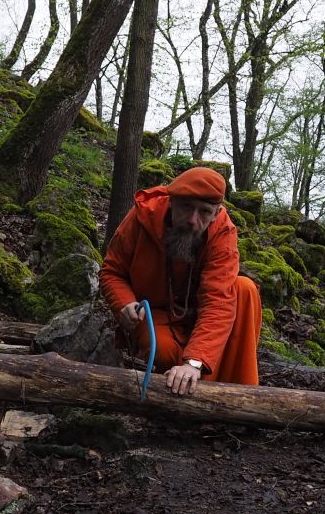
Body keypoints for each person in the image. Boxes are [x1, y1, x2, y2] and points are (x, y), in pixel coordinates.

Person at [98, 166, 262, 394]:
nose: (193, 220)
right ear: (171, 201)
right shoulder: (141, 216)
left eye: (204, 212)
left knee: (244, 289)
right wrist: (124, 303)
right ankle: (190, 389)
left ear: (216, 213)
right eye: (186, 207)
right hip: (155, 312)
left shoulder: (223, 232)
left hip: (200, 312)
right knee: (162, 350)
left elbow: (218, 301)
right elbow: (112, 271)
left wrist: (194, 362)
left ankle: (239, 394)